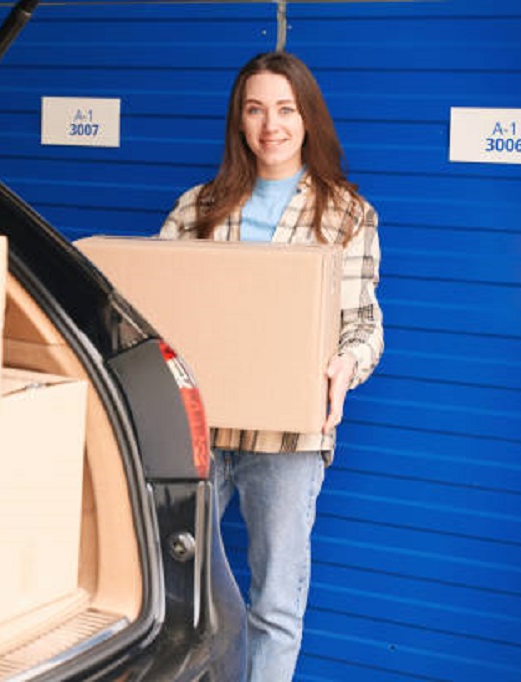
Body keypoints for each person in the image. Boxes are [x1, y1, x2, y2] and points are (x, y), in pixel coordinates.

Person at [158, 51, 384, 681]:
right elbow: (153, 308)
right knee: (174, 597)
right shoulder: (198, 208)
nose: (270, 125)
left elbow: (364, 324)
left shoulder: (345, 216)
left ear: (307, 117)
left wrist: (347, 365)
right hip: (197, 437)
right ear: (239, 121)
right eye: (254, 109)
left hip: (287, 442)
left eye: (285, 109)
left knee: (275, 607)